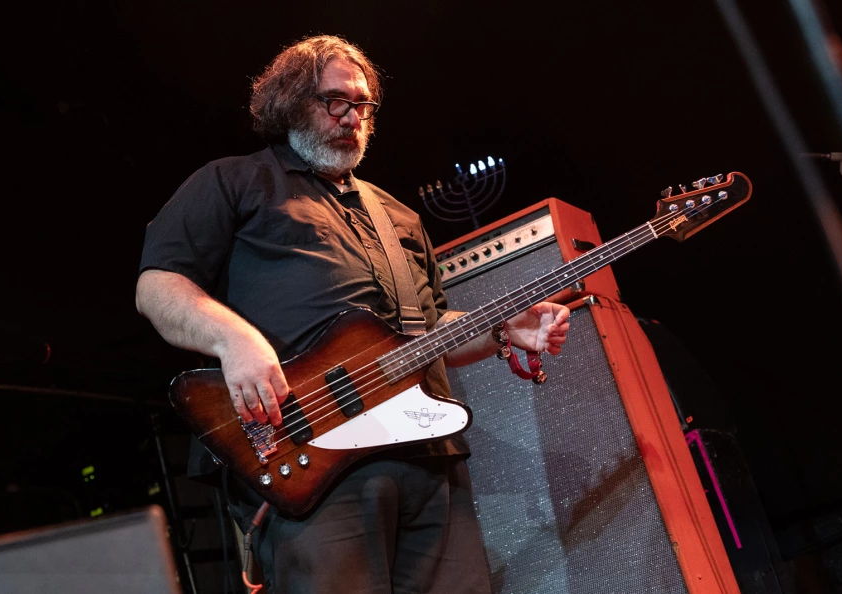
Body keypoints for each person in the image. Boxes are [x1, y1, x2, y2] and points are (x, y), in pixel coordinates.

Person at [136, 35, 570, 594]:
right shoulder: (234, 181)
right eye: (334, 101)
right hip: (311, 457)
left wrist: (501, 331)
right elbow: (157, 285)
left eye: (363, 105)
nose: (353, 117)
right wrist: (233, 339)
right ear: (291, 101)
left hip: (427, 455)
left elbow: (428, 330)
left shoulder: (399, 216)